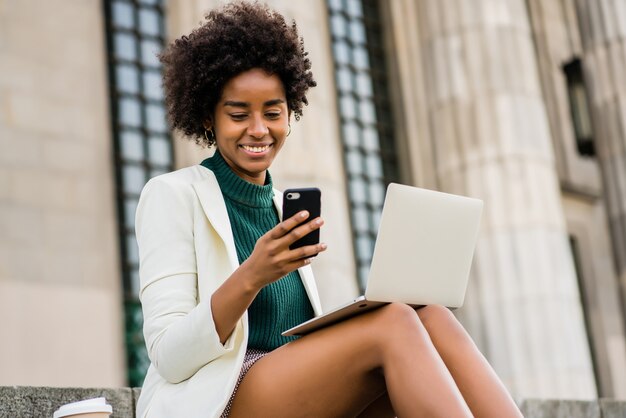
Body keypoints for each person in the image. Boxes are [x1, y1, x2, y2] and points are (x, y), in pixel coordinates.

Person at [134, 2, 523, 417]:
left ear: (290, 113)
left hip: (288, 390)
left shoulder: (284, 209)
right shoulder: (171, 194)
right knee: (393, 322)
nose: (259, 129)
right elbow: (169, 356)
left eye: (272, 112)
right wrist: (252, 275)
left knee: (429, 314)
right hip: (217, 397)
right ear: (209, 118)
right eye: (238, 114)